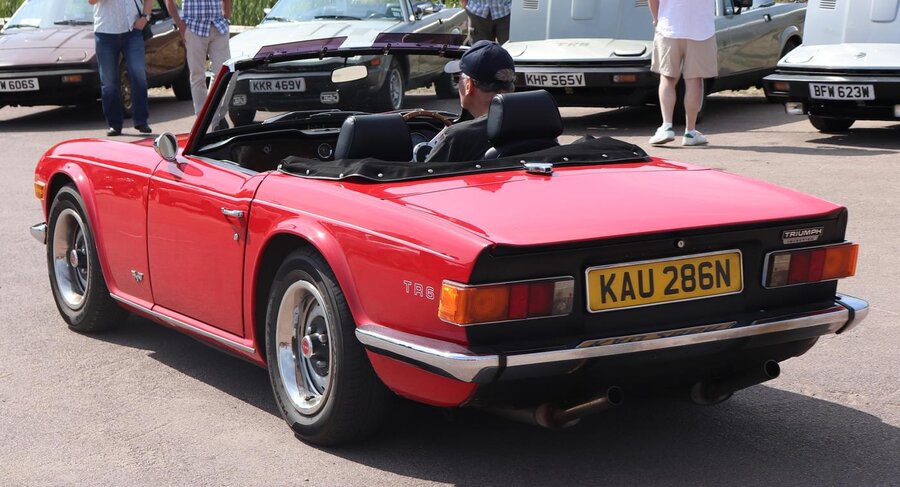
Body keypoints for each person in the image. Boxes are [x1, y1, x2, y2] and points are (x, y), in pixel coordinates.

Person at [425, 40, 516, 163]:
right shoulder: (536, 125)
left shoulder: (457, 138)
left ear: (468, 85)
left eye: (458, 78)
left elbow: (425, 173)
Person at [648, 0, 717, 146]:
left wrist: (656, 19)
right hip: (701, 29)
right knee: (694, 80)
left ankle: (666, 126)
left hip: (669, 26)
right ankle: (690, 132)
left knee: (667, 78)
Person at [89, 0, 154, 136]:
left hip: (132, 30)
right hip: (105, 31)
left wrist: (145, 17)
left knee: (139, 75)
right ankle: (114, 124)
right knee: (109, 82)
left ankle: (141, 121)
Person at [165, 0, 231, 114]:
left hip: (219, 26)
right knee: (198, 76)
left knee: (224, 74)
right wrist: (180, 25)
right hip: (194, 27)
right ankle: (202, 118)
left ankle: (214, 115)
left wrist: (226, 15)